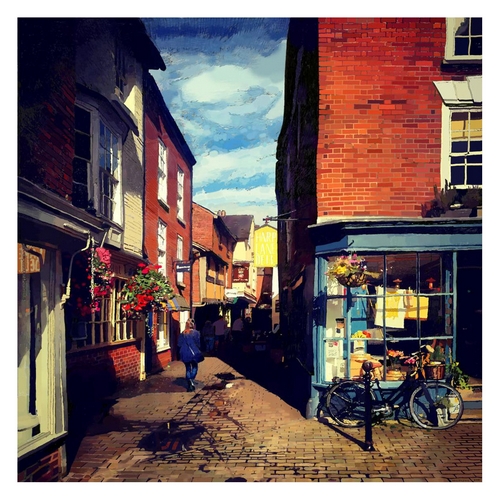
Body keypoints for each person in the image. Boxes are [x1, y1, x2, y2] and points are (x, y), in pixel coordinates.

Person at [177, 319, 203, 392]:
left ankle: (189, 381)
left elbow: (179, 344)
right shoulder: (196, 333)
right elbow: (198, 344)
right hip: (193, 353)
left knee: (188, 368)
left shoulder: (183, 333)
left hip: (184, 353)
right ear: (193, 325)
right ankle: (191, 380)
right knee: (194, 366)